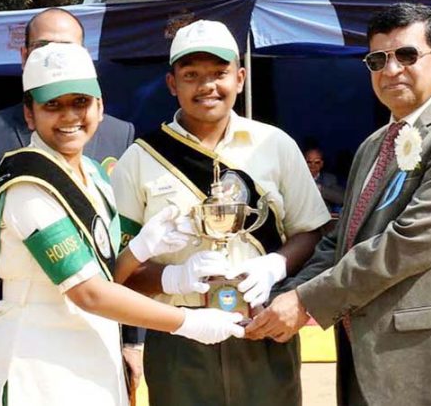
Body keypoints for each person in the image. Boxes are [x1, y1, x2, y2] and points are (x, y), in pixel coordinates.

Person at [248, 3, 431, 406]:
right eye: (377, 59)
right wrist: (280, 296)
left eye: (406, 55)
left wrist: (305, 302)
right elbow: (341, 242)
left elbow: (409, 243)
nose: (391, 70)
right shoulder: (372, 146)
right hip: (362, 360)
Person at [0, 42, 245, 406]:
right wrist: (186, 321)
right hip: (35, 354)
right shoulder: (29, 182)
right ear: (29, 114)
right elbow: (86, 291)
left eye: (80, 102)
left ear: (100, 107)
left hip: (92, 343)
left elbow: (104, 276)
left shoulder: (92, 174)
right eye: (52, 105)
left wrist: (139, 251)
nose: (69, 116)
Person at [110, 20, 330, 406]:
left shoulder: (274, 145)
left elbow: (312, 231)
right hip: (179, 336)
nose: (207, 85)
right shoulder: (140, 160)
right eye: (191, 74)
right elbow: (119, 272)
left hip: (263, 329)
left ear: (240, 78)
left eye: (219, 73)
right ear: (172, 84)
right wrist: (174, 277)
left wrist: (275, 266)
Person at [0, 7, 135, 164]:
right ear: (24, 56)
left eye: (66, 47)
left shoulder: (119, 134)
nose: (56, 56)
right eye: (42, 46)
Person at [305, 147, 345, 211]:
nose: (313, 165)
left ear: (321, 164)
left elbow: (342, 198)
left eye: (317, 162)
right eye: (309, 162)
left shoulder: (329, 179)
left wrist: (319, 188)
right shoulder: (296, 178)